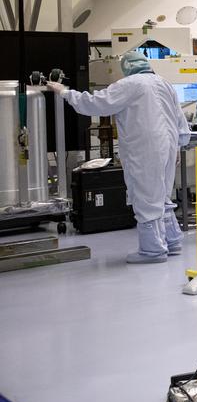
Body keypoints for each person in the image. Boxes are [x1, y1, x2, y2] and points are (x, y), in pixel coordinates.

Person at [49, 50, 185, 263]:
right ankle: (172, 242)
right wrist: (179, 143)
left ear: (127, 67)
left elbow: (96, 104)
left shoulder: (129, 85)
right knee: (162, 194)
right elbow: (178, 116)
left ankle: (153, 251)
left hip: (145, 147)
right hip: (168, 145)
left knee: (146, 196)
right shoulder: (163, 82)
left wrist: (65, 92)